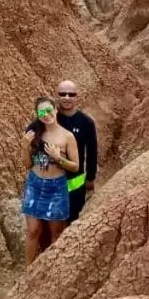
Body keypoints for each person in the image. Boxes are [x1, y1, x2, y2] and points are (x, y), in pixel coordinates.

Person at [19, 96, 80, 265]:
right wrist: (24, 147)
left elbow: (75, 166)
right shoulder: (34, 133)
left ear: (55, 109)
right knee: (33, 231)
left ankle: (49, 272)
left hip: (57, 188)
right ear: (37, 115)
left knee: (56, 234)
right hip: (35, 184)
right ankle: (28, 272)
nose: (46, 115)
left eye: (48, 110)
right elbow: (27, 164)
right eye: (41, 112)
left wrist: (58, 158)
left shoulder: (67, 137)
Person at [55, 79, 99, 226]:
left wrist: (90, 178)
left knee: (73, 219)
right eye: (63, 94)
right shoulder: (51, 119)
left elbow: (92, 151)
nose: (67, 98)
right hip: (52, 180)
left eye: (71, 94)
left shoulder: (86, 122)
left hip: (75, 180)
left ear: (76, 96)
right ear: (57, 95)